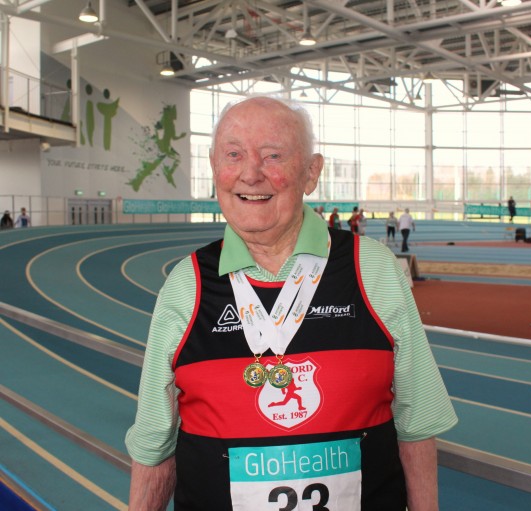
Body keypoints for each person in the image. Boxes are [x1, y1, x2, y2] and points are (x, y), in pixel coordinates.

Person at [125, 97, 457, 511]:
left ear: (311, 172)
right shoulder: (185, 285)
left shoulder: (373, 271)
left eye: (273, 156)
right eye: (233, 155)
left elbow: (417, 422)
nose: (250, 173)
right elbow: (155, 442)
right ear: (214, 168)